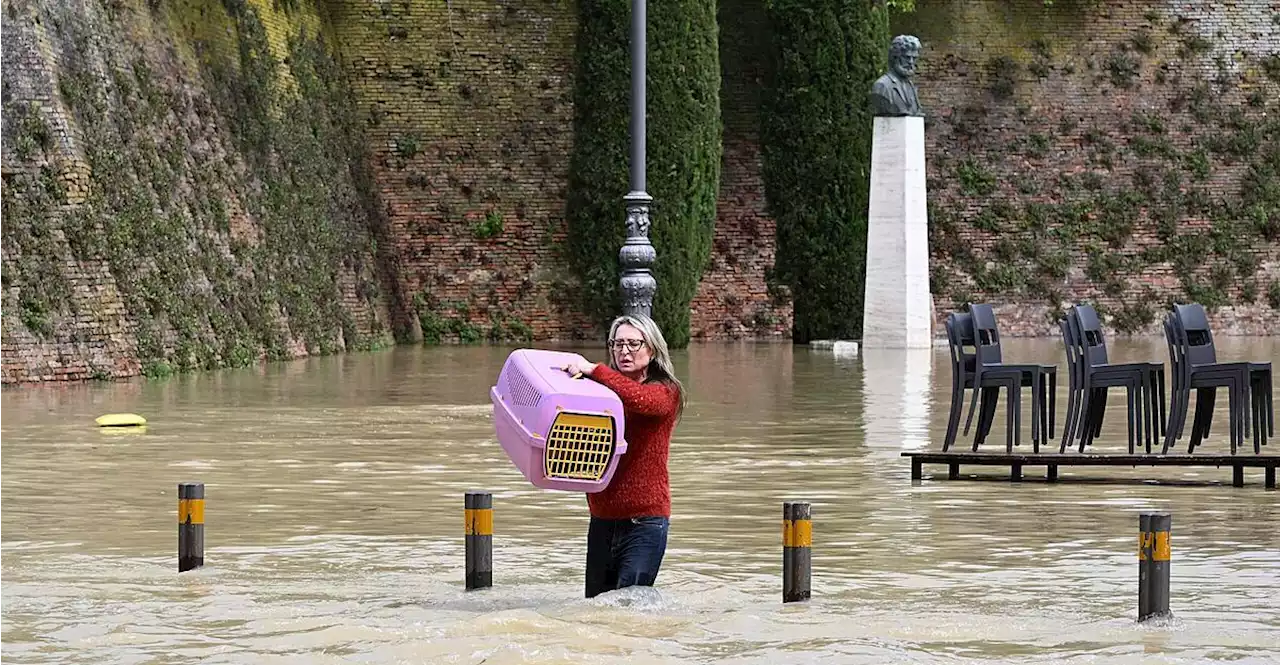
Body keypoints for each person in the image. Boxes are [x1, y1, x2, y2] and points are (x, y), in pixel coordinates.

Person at [562, 314, 686, 599]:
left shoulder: (666, 390)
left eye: (633, 343)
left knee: (629, 608)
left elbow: (639, 399)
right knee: (597, 608)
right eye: (617, 344)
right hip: (602, 518)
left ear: (652, 349)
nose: (624, 351)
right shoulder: (597, 391)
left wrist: (595, 369)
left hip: (645, 521)